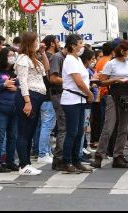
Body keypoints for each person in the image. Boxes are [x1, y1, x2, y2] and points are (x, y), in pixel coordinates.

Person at [92, 40, 128, 169]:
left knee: (123, 128)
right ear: (122, 51)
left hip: (127, 96)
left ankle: (118, 155)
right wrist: (116, 80)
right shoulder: (111, 64)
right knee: (109, 126)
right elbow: (102, 81)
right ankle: (99, 155)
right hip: (114, 96)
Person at [15, 32, 50, 176]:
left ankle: (27, 162)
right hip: (28, 96)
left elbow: (46, 69)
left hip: (37, 96)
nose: (39, 43)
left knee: (30, 131)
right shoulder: (23, 59)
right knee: (24, 131)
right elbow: (22, 81)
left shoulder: (34, 58)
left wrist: (42, 52)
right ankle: (23, 164)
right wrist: (27, 101)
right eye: (36, 41)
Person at [61, 42, 95, 174]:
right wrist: (89, 93)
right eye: (80, 43)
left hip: (80, 99)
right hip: (71, 100)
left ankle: (76, 160)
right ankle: (67, 161)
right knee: (72, 132)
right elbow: (78, 81)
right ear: (73, 45)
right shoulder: (69, 60)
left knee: (80, 132)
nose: (82, 46)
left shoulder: (78, 59)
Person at [0, 48, 19, 173]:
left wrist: (16, 88)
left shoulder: (15, 72)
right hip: (0, 108)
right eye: (9, 55)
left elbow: (22, 85)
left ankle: (10, 161)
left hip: (14, 108)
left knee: (13, 136)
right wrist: (4, 85)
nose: (12, 57)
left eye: (13, 55)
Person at [48, 34, 75, 171]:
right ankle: (59, 158)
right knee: (63, 127)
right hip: (59, 95)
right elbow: (53, 78)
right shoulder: (58, 58)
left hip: (69, 96)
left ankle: (67, 156)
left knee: (69, 127)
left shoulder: (71, 59)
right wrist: (71, 81)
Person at [34, 35, 58, 165]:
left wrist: (42, 53)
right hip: (46, 96)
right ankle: (43, 153)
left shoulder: (43, 57)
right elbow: (49, 73)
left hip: (45, 96)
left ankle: (46, 151)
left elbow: (47, 69)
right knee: (47, 126)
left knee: (47, 126)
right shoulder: (41, 59)